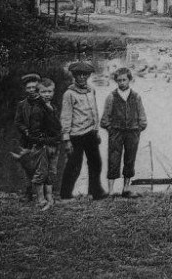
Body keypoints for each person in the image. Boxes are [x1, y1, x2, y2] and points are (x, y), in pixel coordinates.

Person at [59, 61, 106, 201]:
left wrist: (96, 130)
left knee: (96, 163)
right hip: (76, 135)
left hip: (90, 133)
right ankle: (65, 194)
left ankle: (95, 191)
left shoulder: (91, 90)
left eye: (85, 75)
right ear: (74, 76)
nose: (82, 78)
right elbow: (66, 116)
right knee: (74, 165)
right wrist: (66, 139)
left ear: (89, 75)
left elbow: (95, 112)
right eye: (79, 75)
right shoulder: (69, 94)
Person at [14, 73, 62, 210]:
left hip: (44, 141)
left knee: (47, 170)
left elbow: (54, 125)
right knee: (31, 168)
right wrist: (26, 131)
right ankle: (31, 194)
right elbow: (18, 122)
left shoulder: (47, 105)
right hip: (31, 140)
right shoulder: (23, 105)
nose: (31, 90)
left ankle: (47, 196)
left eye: (33, 87)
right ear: (25, 89)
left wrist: (54, 139)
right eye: (28, 87)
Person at [101, 68, 147, 198]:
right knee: (113, 159)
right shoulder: (111, 97)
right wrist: (111, 129)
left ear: (129, 80)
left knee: (130, 159)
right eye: (119, 80)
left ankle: (126, 188)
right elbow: (105, 119)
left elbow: (142, 116)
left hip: (132, 132)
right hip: (116, 132)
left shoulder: (136, 96)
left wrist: (139, 128)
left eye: (124, 80)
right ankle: (110, 190)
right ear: (116, 81)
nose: (122, 83)